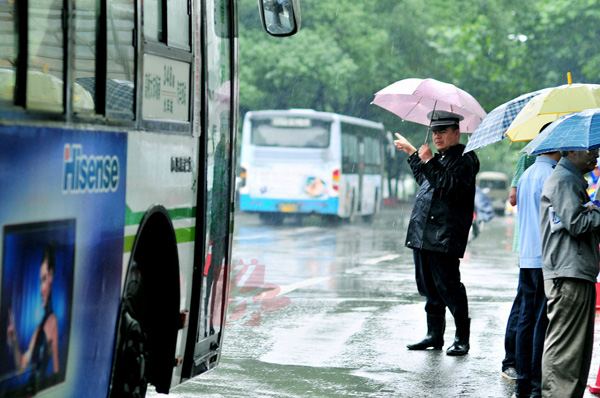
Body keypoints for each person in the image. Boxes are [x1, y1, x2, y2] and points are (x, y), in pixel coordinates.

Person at [394, 110, 480, 356]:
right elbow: (426, 179)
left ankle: (462, 338)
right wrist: (413, 154)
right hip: (423, 233)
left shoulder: (465, 159)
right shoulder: (440, 158)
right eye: (435, 132)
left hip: (444, 235)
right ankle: (434, 335)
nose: (438, 137)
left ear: (456, 132)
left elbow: (448, 187)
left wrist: (429, 160)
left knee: (449, 287)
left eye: (443, 132)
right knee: (429, 287)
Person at [539, 148, 600, 397]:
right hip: (568, 273)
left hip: (576, 271)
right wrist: (596, 210)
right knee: (565, 349)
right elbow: (576, 223)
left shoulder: (571, 179)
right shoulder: (564, 179)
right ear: (573, 151)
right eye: (592, 151)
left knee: (577, 351)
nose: (595, 156)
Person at [512, 149, 561, 398]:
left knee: (525, 320)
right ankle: (535, 384)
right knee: (541, 322)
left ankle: (523, 382)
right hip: (545, 258)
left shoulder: (527, 174)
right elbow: (558, 220)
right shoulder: (553, 176)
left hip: (527, 256)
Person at [502, 153, 536, 380]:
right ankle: (512, 361)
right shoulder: (529, 158)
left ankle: (522, 361)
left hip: (535, 243)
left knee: (529, 304)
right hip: (532, 242)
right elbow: (513, 198)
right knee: (524, 304)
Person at [6, 243, 60, 383]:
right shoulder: (39, 328)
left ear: (51, 276)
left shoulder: (52, 322)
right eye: (40, 281)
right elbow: (21, 369)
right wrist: (14, 340)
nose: (41, 288)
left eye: (44, 279)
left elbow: (56, 371)